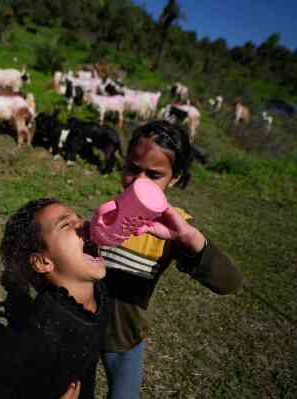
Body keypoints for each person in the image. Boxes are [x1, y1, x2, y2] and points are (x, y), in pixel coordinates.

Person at [100, 120, 243, 399]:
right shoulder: (108, 211)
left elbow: (230, 283)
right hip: (84, 327)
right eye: (132, 169)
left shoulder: (174, 229)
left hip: (126, 339)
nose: (138, 182)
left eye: (153, 175)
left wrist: (191, 240)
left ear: (174, 178)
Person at [0, 198, 109, 399]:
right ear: (43, 261)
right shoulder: (39, 332)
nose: (85, 224)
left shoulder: (101, 293)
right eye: (66, 225)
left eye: (80, 218)